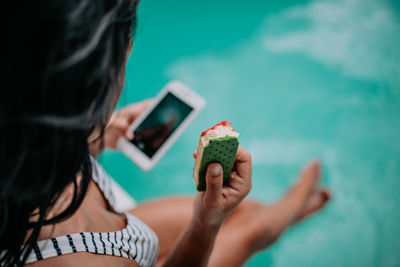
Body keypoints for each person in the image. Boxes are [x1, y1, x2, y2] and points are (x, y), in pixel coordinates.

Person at [0, 0, 331, 266]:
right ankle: (298, 200)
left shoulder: (26, 140)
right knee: (252, 229)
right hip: (104, 247)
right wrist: (206, 222)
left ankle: (286, 211)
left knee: (247, 212)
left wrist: (98, 136)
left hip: (113, 235)